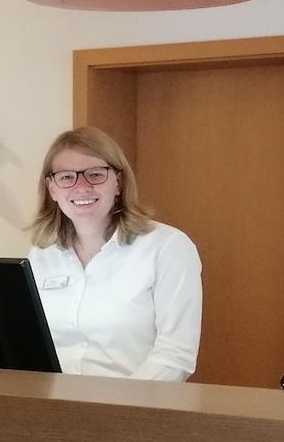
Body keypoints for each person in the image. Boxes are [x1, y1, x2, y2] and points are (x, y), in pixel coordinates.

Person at [27, 126, 202, 381]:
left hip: (134, 402)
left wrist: (117, 403)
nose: (82, 187)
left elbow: (175, 355)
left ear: (118, 182)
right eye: (66, 177)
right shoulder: (41, 253)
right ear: (52, 189)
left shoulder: (168, 246)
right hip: (49, 401)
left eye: (96, 174)